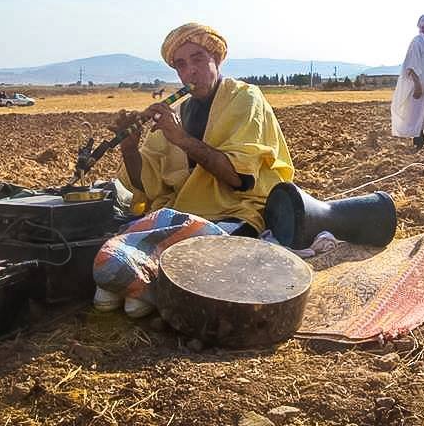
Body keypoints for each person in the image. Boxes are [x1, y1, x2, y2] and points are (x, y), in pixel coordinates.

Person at [93, 22, 295, 317]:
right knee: (117, 243)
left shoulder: (245, 98)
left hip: (236, 212)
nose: (191, 71)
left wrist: (181, 138)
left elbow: (237, 178)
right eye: (181, 65)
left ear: (216, 59)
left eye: (198, 59)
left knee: (147, 258)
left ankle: (141, 286)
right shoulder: (179, 113)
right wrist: (129, 147)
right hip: (185, 212)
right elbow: (148, 184)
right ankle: (139, 285)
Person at [391, 14, 424, 150]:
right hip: (420, 87)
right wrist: (417, 85)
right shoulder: (417, 42)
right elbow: (411, 65)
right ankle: (418, 144)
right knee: (418, 113)